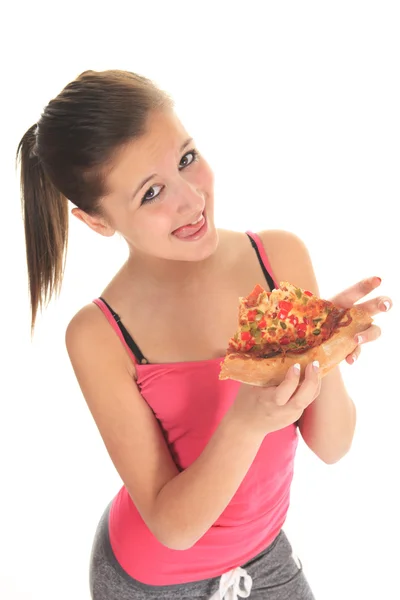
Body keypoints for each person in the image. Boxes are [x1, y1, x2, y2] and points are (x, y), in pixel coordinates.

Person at [16, 69, 392, 600]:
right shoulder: (98, 335)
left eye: (187, 159)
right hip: (149, 581)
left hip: (262, 553)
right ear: (97, 222)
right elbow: (174, 527)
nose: (191, 200)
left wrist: (317, 344)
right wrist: (245, 422)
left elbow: (332, 446)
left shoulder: (279, 258)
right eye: (151, 193)